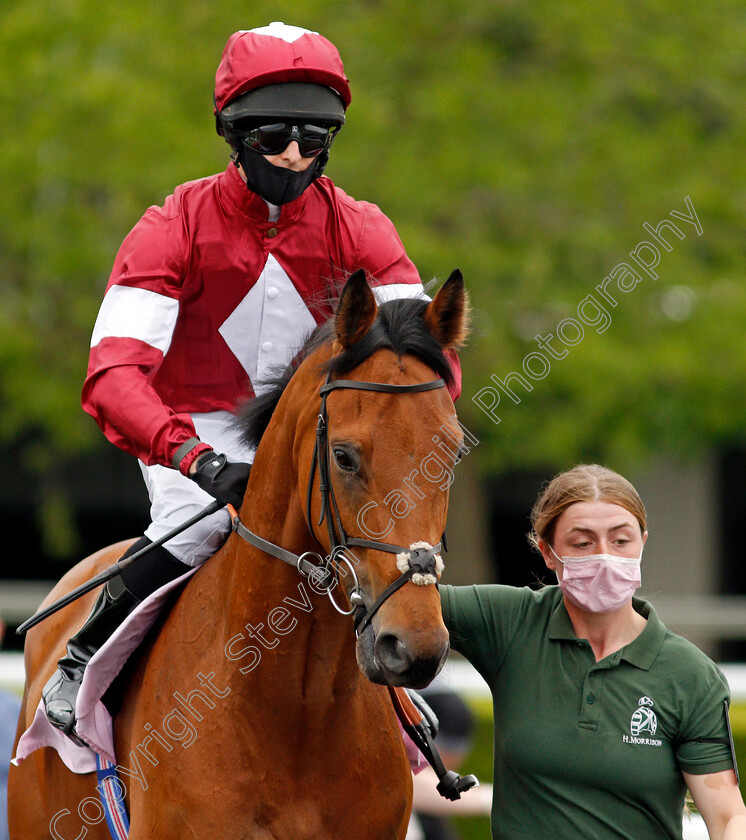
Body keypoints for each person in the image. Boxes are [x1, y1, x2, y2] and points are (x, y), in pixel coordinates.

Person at [43, 21, 459, 744]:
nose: (296, 155)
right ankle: (82, 660)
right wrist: (197, 460)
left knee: (368, 535)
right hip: (191, 429)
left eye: (314, 136)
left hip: (314, 426)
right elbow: (112, 375)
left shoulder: (361, 227)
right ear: (232, 134)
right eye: (273, 136)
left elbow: (424, 361)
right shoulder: (171, 226)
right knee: (199, 528)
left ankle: (397, 709)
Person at [440, 464, 746, 840]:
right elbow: (386, 596)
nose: (604, 556)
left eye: (621, 541)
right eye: (583, 543)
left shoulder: (690, 675)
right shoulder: (509, 623)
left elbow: (729, 817)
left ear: (642, 543)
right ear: (547, 552)